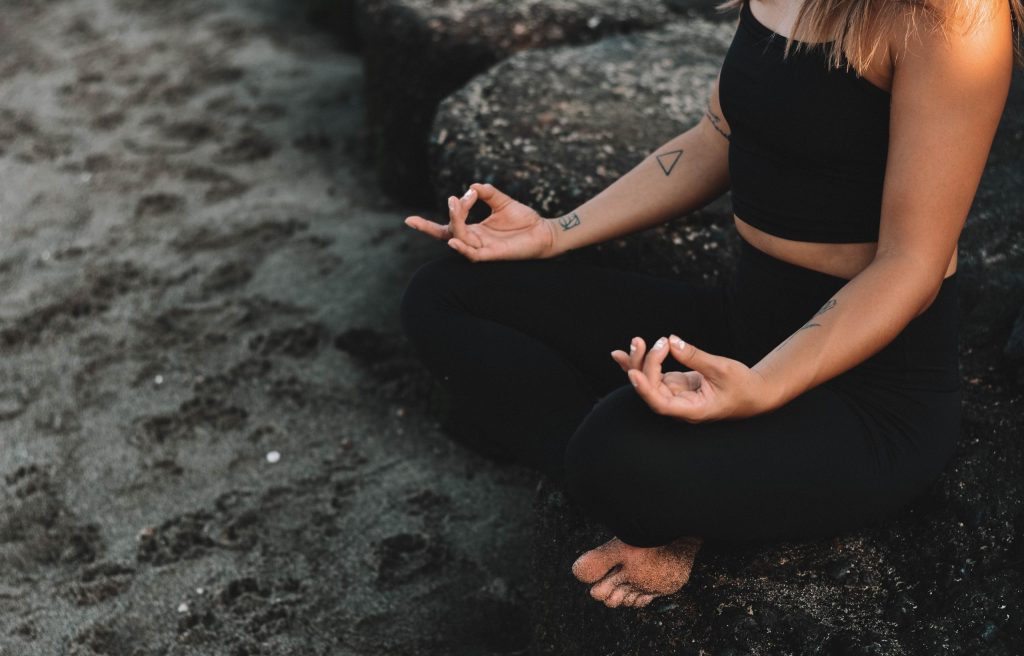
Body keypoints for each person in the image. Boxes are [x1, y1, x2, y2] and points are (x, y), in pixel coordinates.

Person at [399, 0, 1019, 609]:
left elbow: (911, 265)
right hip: (744, 322)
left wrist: (764, 386)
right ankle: (685, 485)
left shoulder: (953, 19)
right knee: (448, 295)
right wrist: (556, 232)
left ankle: (669, 492)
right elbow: (716, 138)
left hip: (869, 390)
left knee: (613, 454)